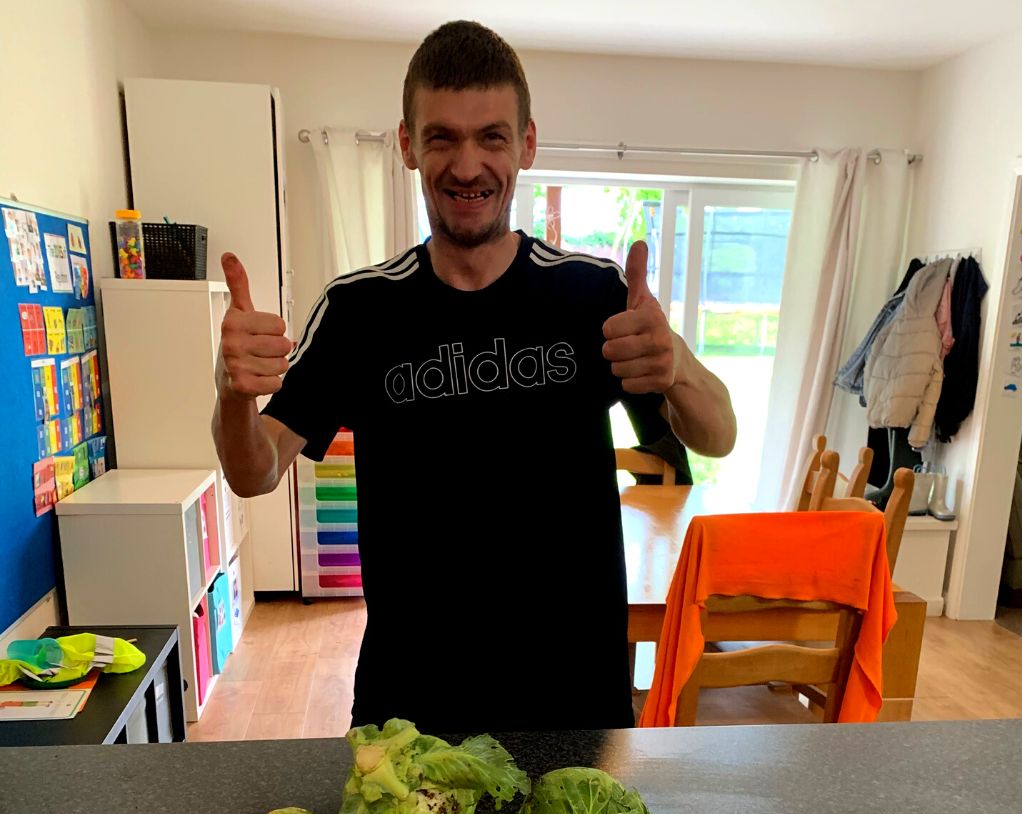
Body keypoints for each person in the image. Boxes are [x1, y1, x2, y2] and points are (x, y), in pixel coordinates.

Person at [212, 20, 736, 733]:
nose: (467, 165)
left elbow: (719, 434)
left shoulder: (592, 295)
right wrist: (232, 398)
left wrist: (675, 367)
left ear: (525, 143)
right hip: (412, 711)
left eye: (491, 136)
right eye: (442, 138)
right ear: (407, 145)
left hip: (575, 700)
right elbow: (255, 469)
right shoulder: (360, 308)